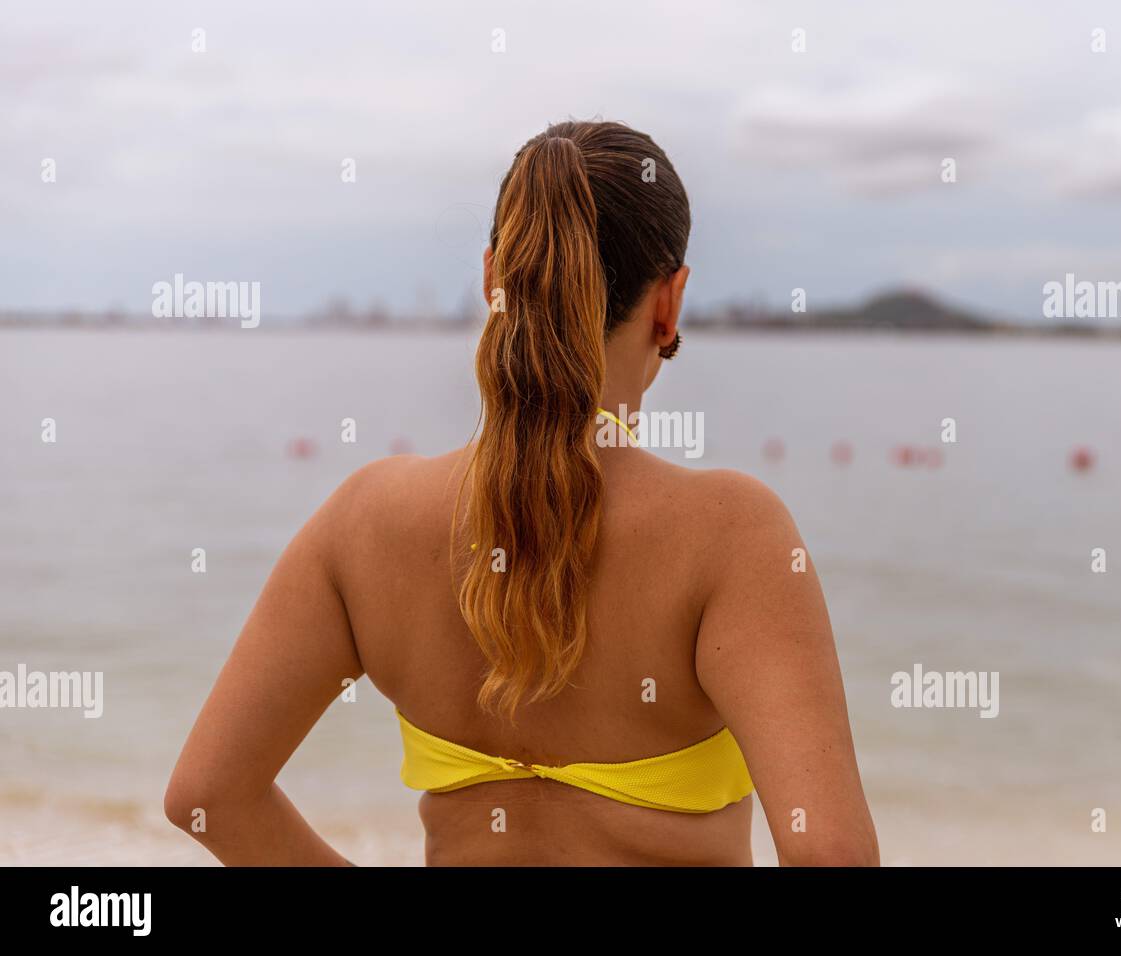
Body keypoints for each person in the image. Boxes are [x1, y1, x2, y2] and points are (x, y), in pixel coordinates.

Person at [165, 120, 879, 866]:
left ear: (490, 281)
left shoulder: (365, 520)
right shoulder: (733, 534)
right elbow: (830, 854)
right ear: (670, 303)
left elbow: (208, 798)